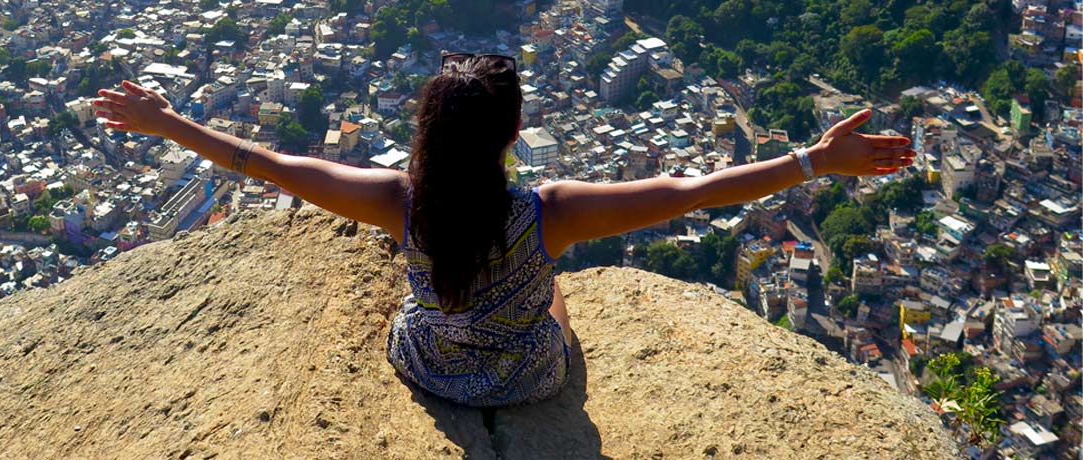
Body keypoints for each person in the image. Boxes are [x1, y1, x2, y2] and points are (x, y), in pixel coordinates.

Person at [92, 54, 913, 408]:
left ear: (426, 134)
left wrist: (171, 125)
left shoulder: (396, 202)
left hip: (428, 365)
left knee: (421, 300)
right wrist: (812, 161)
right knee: (552, 297)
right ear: (511, 136)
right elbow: (690, 191)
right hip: (528, 379)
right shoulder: (548, 211)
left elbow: (265, 164)